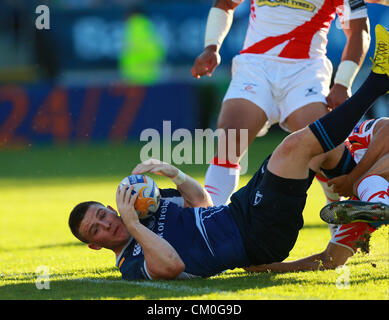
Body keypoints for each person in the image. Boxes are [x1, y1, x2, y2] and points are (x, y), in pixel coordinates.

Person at [69, 25, 389, 280]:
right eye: (96, 230)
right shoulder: (131, 264)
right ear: (95, 245)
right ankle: (376, 84)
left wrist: (174, 173)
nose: (108, 223)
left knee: (322, 153)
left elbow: (201, 204)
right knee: (295, 146)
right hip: (254, 235)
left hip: (239, 209)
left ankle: (363, 206)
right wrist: (134, 227)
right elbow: (171, 266)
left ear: (110, 207)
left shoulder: (144, 208)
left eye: (103, 214)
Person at [191, 0, 370, 208]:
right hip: (256, 66)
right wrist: (211, 46)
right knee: (232, 134)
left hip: (305, 71)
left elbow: (359, 31)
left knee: (322, 147)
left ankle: (335, 208)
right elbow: (225, 4)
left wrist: (342, 83)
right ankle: (209, 215)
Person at [245, 117, 389, 273]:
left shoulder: (328, 149)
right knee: (332, 259)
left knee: (317, 146)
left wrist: (352, 179)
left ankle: (379, 205)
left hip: (362, 187)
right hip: (365, 199)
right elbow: (328, 262)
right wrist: (266, 267)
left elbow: (386, 129)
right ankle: (379, 206)